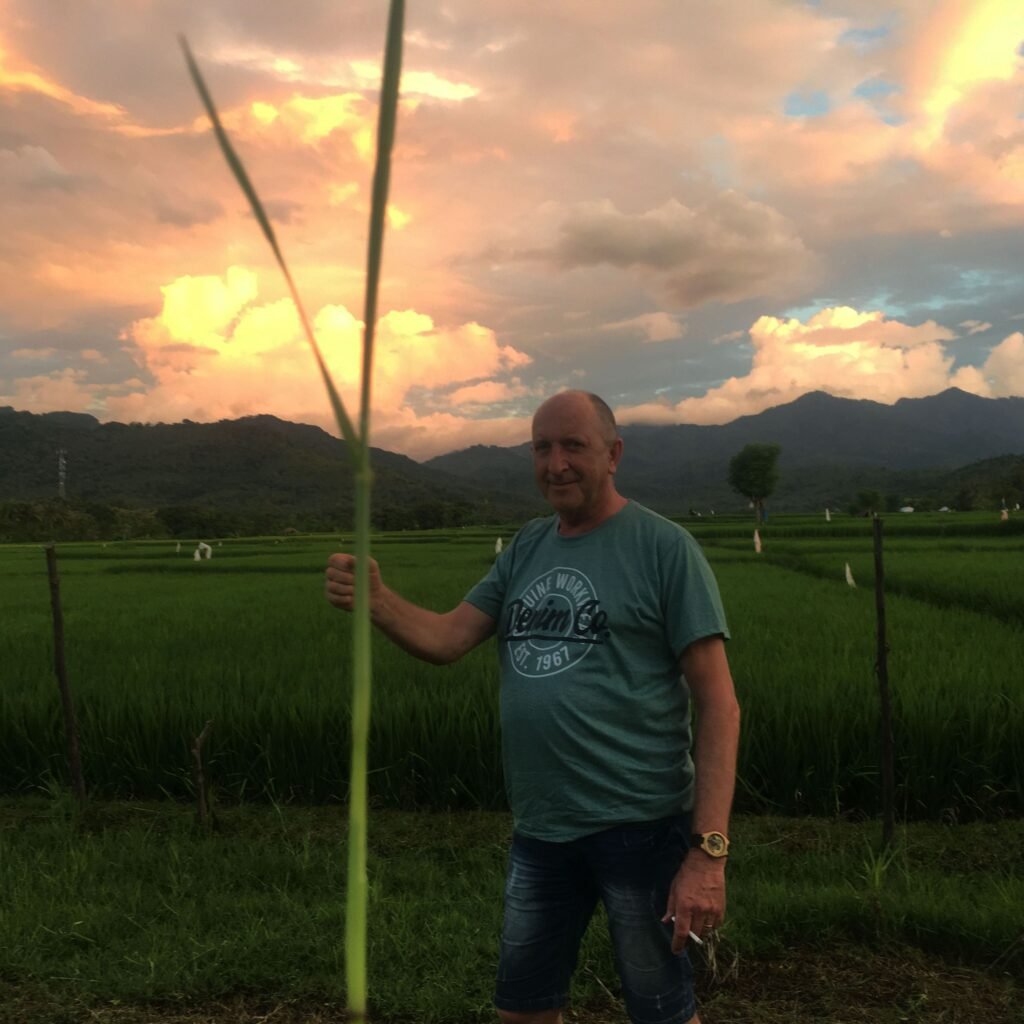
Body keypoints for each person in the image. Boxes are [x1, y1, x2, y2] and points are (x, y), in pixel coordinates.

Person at [325, 390, 740, 1024]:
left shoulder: (664, 549)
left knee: (661, 1012)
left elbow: (719, 705)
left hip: (641, 827)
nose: (556, 464)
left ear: (613, 454)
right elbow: (448, 638)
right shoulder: (526, 547)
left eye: (574, 445)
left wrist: (707, 853)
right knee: (522, 1009)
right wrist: (377, 602)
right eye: (542, 447)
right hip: (542, 830)